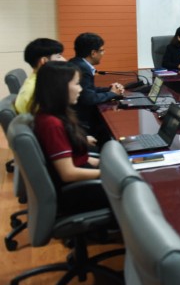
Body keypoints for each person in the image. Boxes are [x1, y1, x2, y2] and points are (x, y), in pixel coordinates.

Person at [31, 61, 109, 215]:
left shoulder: (55, 115)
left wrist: (108, 164)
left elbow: (79, 158)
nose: (80, 89)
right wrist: (109, 174)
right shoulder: (52, 124)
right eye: (77, 84)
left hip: (83, 182)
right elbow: (68, 173)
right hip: (77, 192)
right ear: (59, 87)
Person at [69, 32, 123, 145]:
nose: (104, 53)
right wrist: (113, 94)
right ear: (93, 53)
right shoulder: (83, 68)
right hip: (84, 121)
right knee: (111, 127)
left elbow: (88, 90)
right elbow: (89, 98)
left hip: (78, 117)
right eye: (102, 50)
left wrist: (109, 90)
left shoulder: (75, 62)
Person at [14, 38, 66, 114]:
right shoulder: (38, 89)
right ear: (43, 61)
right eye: (59, 56)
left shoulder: (39, 81)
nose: (64, 60)